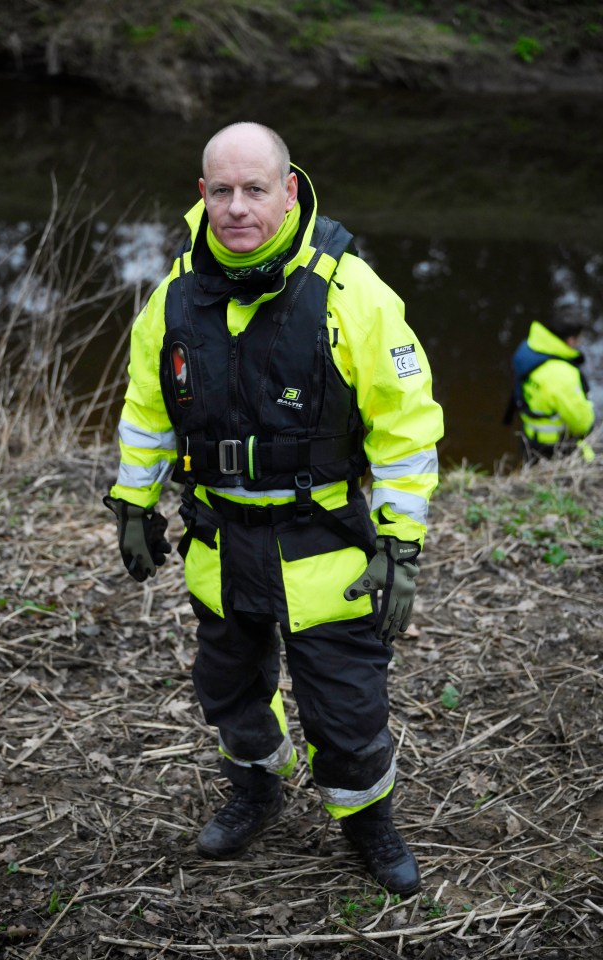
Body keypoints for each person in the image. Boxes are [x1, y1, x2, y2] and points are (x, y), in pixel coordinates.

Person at [104, 122, 444, 895]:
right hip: (220, 544)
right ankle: (256, 788)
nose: (236, 207)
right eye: (220, 190)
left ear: (289, 190)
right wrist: (133, 503)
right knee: (228, 690)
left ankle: (367, 821)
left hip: (322, 541)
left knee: (347, 709)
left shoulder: (353, 291)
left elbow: (406, 424)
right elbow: (146, 410)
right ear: (202, 195)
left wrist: (401, 542)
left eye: (255, 188)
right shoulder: (173, 298)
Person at [506, 302, 595, 463]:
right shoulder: (562, 375)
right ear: (570, 340)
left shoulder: (529, 348)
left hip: (529, 438)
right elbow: (582, 423)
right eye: (579, 338)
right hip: (554, 449)